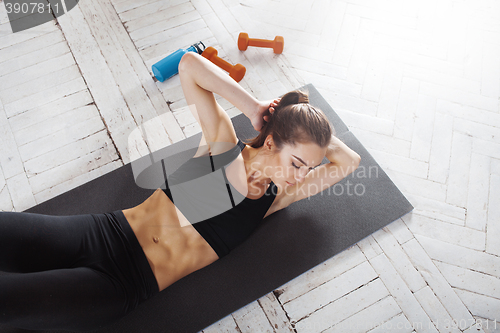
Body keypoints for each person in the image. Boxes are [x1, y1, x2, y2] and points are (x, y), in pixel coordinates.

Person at [0, 52, 361, 331]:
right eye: (298, 163)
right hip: (101, 233)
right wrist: (254, 107)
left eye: (308, 168)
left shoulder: (274, 198)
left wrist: (301, 119)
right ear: (270, 142)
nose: (301, 177)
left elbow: (349, 162)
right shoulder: (222, 144)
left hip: (122, 284)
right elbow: (189, 65)